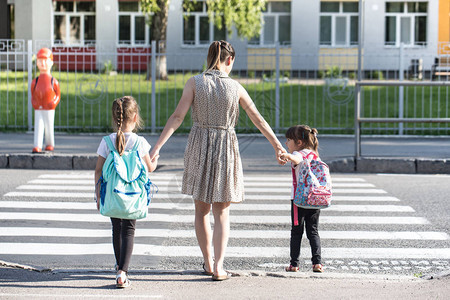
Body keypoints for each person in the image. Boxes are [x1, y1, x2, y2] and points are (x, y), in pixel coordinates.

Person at [149, 40, 286, 281]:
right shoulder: (236, 88)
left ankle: (208, 262)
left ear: (210, 56)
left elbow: (178, 116)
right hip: (225, 147)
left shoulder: (195, 83)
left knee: (201, 210)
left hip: (200, 144)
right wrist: (278, 146)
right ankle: (220, 266)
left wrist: (157, 146)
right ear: (229, 60)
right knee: (222, 211)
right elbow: (259, 120)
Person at [94, 96, 158, 288]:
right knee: (129, 230)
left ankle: (118, 265)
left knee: (116, 228)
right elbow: (149, 168)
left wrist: (98, 194)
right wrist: (155, 160)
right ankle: (123, 272)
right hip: (133, 196)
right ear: (136, 117)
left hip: (113, 194)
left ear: (114, 119)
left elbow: (98, 170)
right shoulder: (140, 143)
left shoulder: (106, 142)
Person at [280, 125, 324, 273]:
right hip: (315, 198)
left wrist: (287, 156)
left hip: (299, 200)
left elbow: (296, 158)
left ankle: (294, 264)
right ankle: (317, 263)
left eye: (289, 140)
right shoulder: (314, 154)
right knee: (313, 231)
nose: (287, 143)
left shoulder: (300, 154)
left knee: (297, 232)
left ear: (299, 142)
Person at [31, 47, 61, 153]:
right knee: (38, 126)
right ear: (37, 63)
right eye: (40, 61)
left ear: (51, 62)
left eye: (45, 60)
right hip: (39, 108)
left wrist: (53, 102)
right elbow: (33, 94)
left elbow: (58, 95)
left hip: (49, 108)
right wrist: (35, 103)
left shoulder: (54, 81)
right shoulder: (35, 81)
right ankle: (37, 145)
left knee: (49, 126)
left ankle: (50, 143)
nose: (43, 63)